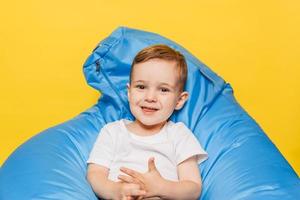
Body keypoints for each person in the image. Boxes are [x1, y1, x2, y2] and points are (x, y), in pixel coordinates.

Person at [86, 44, 208, 200]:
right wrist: (116, 190)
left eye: (163, 89)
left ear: (179, 100)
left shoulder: (178, 134)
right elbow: (95, 174)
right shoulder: (113, 131)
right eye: (141, 86)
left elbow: (193, 188)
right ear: (129, 92)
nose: (150, 97)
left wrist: (161, 187)